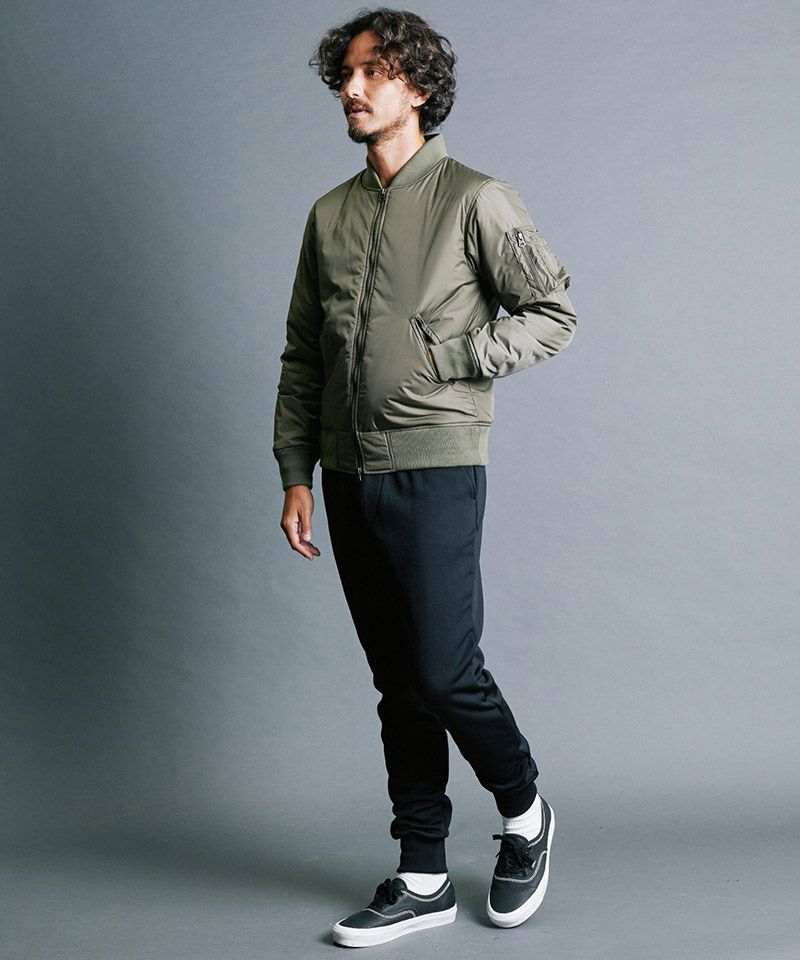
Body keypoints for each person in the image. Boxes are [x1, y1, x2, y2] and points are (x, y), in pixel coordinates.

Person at [273, 7, 577, 948]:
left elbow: (552, 313)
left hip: (437, 465)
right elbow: (302, 355)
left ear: (418, 86)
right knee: (397, 683)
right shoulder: (329, 214)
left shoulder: (476, 199)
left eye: (372, 72)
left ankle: (524, 810)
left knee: (444, 671)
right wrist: (294, 470)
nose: (352, 89)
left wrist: (452, 359)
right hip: (344, 473)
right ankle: (422, 874)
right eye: (345, 75)